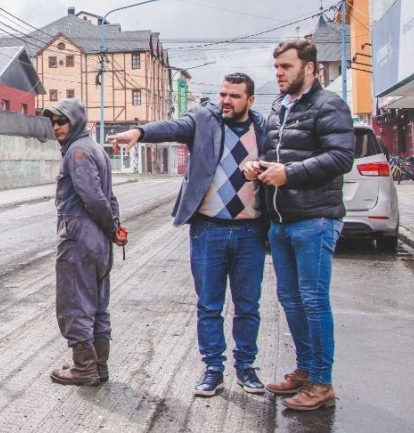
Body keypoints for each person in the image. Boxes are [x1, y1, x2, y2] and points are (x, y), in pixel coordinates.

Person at [110, 73, 268, 397]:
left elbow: (280, 161)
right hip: (208, 229)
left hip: (250, 231)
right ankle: (213, 368)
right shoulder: (204, 119)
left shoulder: (263, 128)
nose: (226, 100)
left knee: (248, 305)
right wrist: (139, 132)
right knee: (209, 305)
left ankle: (246, 367)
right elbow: (172, 127)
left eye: (235, 96)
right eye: (223, 93)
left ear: (250, 101)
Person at [241, 39, 353, 411]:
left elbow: (340, 157)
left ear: (309, 68)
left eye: (286, 67)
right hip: (282, 221)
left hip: (315, 219)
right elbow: (276, 156)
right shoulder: (278, 109)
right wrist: (256, 166)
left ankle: (322, 382)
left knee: (313, 301)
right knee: (290, 299)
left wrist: (289, 174)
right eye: (276, 68)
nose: (279, 74)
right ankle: (305, 369)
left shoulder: (329, 105)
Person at [42, 99, 123, 386]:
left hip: (78, 238)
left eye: (61, 121)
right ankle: (99, 365)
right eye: (53, 122)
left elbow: (94, 198)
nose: (56, 127)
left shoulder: (77, 152)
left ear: (75, 121)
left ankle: (84, 367)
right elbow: (109, 198)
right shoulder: (95, 149)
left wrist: (108, 224)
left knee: (74, 303)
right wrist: (113, 228)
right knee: (98, 303)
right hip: (99, 241)